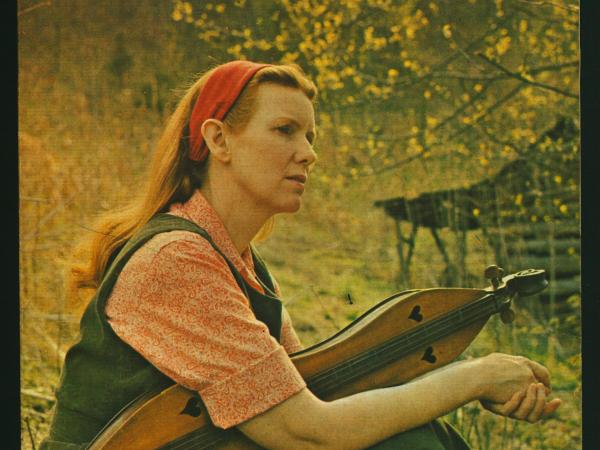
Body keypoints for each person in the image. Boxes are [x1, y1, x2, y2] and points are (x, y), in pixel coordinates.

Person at [40, 60, 561, 450]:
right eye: (284, 130)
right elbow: (308, 432)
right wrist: (473, 377)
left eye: (310, 136)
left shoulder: (238, 260)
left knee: (419, 436)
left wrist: (469, 378)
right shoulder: (175, 260)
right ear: (219, 139)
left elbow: (317, 394)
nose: (309, 152)